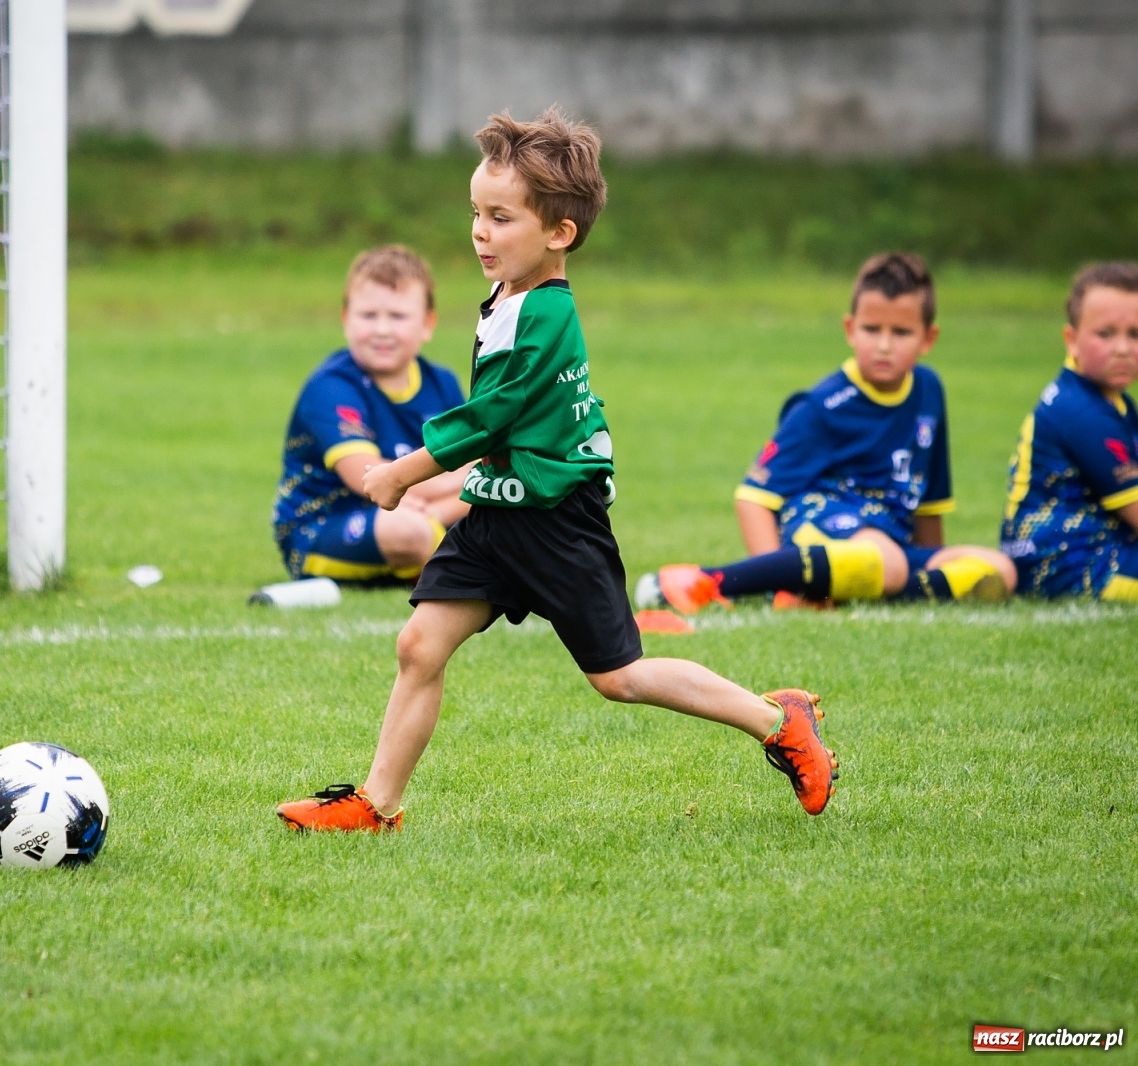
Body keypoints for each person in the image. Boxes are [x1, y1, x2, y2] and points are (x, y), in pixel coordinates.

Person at [275, 107, 838, 833]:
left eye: (500, 217)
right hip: (496, 514)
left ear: (558, 234)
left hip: (554, 521)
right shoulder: (509, 294)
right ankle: (374, 807)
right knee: (419, 643)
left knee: (620, 677)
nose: (480, 230)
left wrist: (400, 474)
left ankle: (778, 721)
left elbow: (493, 415)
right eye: (476, 212)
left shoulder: (546, 314)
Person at [636, 252, 1016, 615]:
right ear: (850, 330)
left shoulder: (929, 390)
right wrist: (774, 585)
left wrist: (935, 563)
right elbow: (753, 498)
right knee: (888, 561)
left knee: (999, 570)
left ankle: (852, 591)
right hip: (822, 524)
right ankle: (709, 580)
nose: (884, 345)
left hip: (893, 546)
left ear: (928, 339)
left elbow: (929, 504)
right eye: (872, 329)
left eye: (901, 332)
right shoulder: (824, 404)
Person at [273, 245, 472, 582]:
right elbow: (366, 478)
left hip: (426, 513)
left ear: (428, 324)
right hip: (325, 526)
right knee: (409, 530)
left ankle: (443, 553)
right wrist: (463, 481)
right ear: (345, 320)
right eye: (368, 316)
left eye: (397, 316)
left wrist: (437, 509)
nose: (382, 329)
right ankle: (458, 563)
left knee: (518, 488)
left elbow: (480, 470)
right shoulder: (331, 386)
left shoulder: (442, 383)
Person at [999, 262, 1138, 601]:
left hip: (1087, 550)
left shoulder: (1109, 401)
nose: (1122, 348)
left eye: (1135, 334)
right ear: (1071, 340)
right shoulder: (1083, 412)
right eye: (1105, 334)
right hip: (1066, 563)